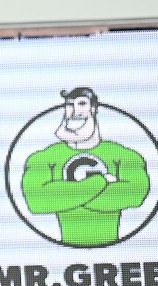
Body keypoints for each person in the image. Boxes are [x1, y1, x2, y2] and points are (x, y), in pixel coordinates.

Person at [21, 86, 150, 246]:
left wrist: (66, 196)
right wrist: (101, 182)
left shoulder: (125, 156)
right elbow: (37, 202)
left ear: (94, 109)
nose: (75, 111)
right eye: (69, 105)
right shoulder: (43, 159)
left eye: (81, 104)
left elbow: (135, 195)